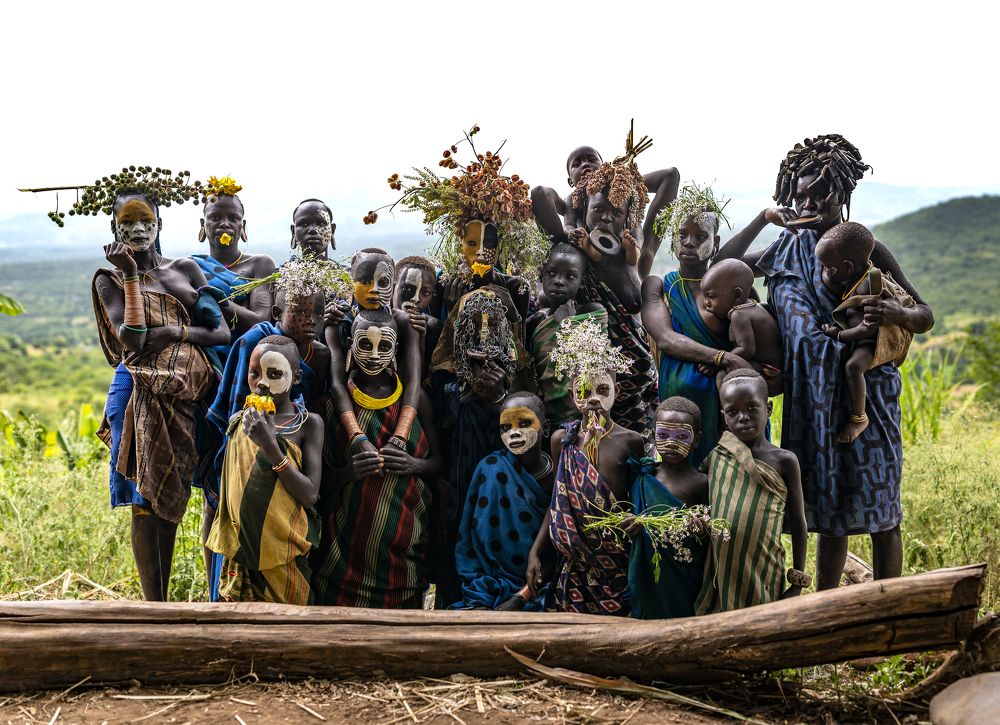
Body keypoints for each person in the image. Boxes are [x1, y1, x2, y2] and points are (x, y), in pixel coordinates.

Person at [735, 134, 934, 588]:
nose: (810, 203)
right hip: (812, 403)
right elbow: (719, 265)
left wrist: (898, 313)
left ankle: (889, 612)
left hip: (870, 397)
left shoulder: (866, 249)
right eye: (800, 194)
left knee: (883, 510)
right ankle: (829, 613)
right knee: (828, 512)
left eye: (820, 193)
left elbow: (925, 315)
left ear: (842, 193)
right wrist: (762, 218)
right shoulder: (784, 248)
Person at [93, 189, 230, 600]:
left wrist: (173, 332)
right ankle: (156, 607)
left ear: (159, 224)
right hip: (136, 387)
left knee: (194, 490)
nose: (137, 229)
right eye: (127, 223)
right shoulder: (110, 280)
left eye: (145, 221)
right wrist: (132, 276)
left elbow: (219, 331)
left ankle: (210, 599)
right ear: (114, 229)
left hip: (194, 390)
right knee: (144, 498)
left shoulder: (185, 269)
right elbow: (131, 341)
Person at [312, 308, 441, 608]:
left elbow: (438, 463)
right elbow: (317, 483)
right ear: (350, 347)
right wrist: (348, 473)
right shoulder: (331, 405)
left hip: (403, 556)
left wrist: (413, 464)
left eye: (383, 346)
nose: (373, 355)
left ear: (395, 350)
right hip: (341, 558)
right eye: (364, 345)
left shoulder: (416, 400)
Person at [526, 318, 642, 615]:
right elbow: (557, 502)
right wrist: (536, 551)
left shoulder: (631, 442)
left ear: (617, 390)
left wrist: (636, 521)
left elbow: (640, 500)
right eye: (584, 391)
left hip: (615, 559)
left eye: (602, 389)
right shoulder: (561, 440)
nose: (593, 399)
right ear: (571, 395)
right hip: (573, 566)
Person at [641, 184, 755, 465]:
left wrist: (764, 217)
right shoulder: (660, 286)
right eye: (682, 234)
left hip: (731, 402)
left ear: (715, 244)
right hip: (681, 404)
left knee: (731, 476)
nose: (689, 242)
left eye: (700, 236)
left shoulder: (732, 290)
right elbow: (667, 339)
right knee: (685, 476)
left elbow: (751, 339)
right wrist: (720, 357)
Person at [206, 336, 322, 605]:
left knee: (287, 630)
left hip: (283, 554)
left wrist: (271, 446)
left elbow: (310, 494)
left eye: (274, 373)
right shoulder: (239, 421)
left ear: (296, 376)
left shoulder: (307, 424)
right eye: (254, 373)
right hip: (238, 552)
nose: (261, 383)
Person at [428, 288, 520, 605]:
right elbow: (439, 423)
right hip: (456, 484)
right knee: (455, 552)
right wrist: (466, 392)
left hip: (504, 489)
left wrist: (497, 398)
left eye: (492, 327)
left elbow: (526, 420)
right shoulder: (443, 377)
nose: (482, 341)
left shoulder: (515, 373)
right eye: (472, 327)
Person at [696, 370, 809, 613]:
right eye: (733, 412)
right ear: (723, 417)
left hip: (764, 566)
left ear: (768, 408)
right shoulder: (717, 456)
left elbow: (799, 522)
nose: (743, 417)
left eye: (751, 408)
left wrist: (798, 580)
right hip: (723, 571)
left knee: (766, 625)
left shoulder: (785, 460)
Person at [452, 393, 555, 611]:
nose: (514, 433)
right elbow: (470, 545)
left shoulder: (561, 475)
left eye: (525, 423)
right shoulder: (490, 469)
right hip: (487, 590)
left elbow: (561, 551)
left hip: (545, 588)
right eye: (505, 427)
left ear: (545, 429)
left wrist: (522, 597)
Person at [816, 222, 916, 443]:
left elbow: (866, 329)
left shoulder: (868, 287)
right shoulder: (857, 277)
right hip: (864, 337)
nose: (825, 271)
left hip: (871, 342)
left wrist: (839, 335)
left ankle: (859, 417)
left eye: (829, 267)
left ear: (848, 267)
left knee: (853, 367)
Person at [628, 396, 709, 619]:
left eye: (682, 436)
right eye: (663, 435)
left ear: (697, 440)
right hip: (649, 575)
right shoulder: (645, 476)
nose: (672, 443)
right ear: (653, 436)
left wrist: (700, 530)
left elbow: (707, 535)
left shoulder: (702, 483)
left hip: (683, 576)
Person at [526, 243, 606, 431]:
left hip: (582, 417)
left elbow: (595, 364)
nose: (559, 281)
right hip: (544, 417)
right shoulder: (534, 321)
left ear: (582, 280)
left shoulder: (592, 313)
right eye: (551, 273)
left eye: (570, 276)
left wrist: (566, 326)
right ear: (541, 275)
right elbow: (528, 370)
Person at [192, 177, 276, 339]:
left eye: (233, 218)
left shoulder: (259, 264)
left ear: (242, 226)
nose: (225, 224)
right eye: (215, 218)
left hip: (248, 350)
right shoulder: (191, 266)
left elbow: (259, 321)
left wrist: (217, 299)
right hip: (203, 349)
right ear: (203, 224)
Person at [700, 259, 783, 396]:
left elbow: (747, 350)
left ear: (737, 295)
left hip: (769, 372)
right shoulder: (754, 305)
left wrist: (716, 361)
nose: (706, 303)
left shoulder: (738, 314)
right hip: (778, 369)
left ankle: (727, 411)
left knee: (722, 375)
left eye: (712, 297)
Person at [530, 146, 604, 241]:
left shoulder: (615, 191)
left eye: (592, 160)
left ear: (605, 167)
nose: (585, 164)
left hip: (614, 242)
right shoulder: (572, 199)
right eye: (577, 164)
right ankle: (558, 243)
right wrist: (572, 233)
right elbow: (569, 225)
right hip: (583, 243)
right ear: (571, 182)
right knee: (539, 192)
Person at [392, 255, 442, 378]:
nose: (416, 299)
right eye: (408, 288)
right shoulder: (374, 320)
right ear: (393, 286)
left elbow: (424, 382)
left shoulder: (433, 328)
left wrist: (420, 342)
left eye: (425, 292)